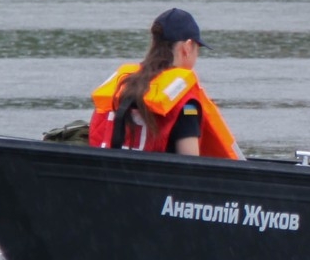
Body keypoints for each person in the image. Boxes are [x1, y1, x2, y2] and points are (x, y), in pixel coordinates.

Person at [88, 8, 241, 158]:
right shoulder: (186, 103)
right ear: (187, 47)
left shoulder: (125, 84)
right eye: (197, 48)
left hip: (113, 171)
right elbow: (191, 163)